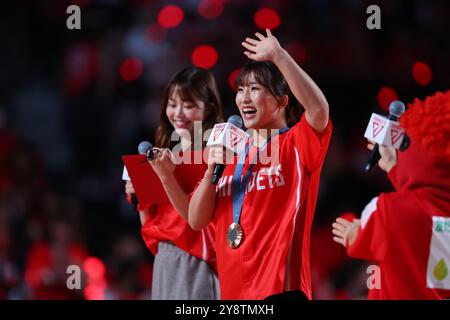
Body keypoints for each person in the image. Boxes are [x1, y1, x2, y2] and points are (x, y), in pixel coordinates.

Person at [188, 29, 332, 300]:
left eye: (255, 89)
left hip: (281, 290)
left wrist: (279, 56)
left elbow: (319, 110)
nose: (244, 98)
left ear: (282, 100)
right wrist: (211, 170)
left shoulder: (296, 143)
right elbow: (196, 220)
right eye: (241, 90)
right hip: (233, 296)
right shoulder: (228, 154)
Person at [332, 90, 450, 299]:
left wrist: (350, 229)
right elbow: (426, 206)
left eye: (405, 144)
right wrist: (396, 170)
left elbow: (360, 238)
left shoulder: (388, 209)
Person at [124, 66, 223, 299]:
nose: (178, 112)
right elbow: (150, 224)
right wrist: (140, 195)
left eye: (188, 105)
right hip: (165, 258)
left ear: (209, 107)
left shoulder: (216, 155)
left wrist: (166, 178)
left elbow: (195, 220)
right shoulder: (163, 154)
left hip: (199, 261)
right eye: (172, 103)